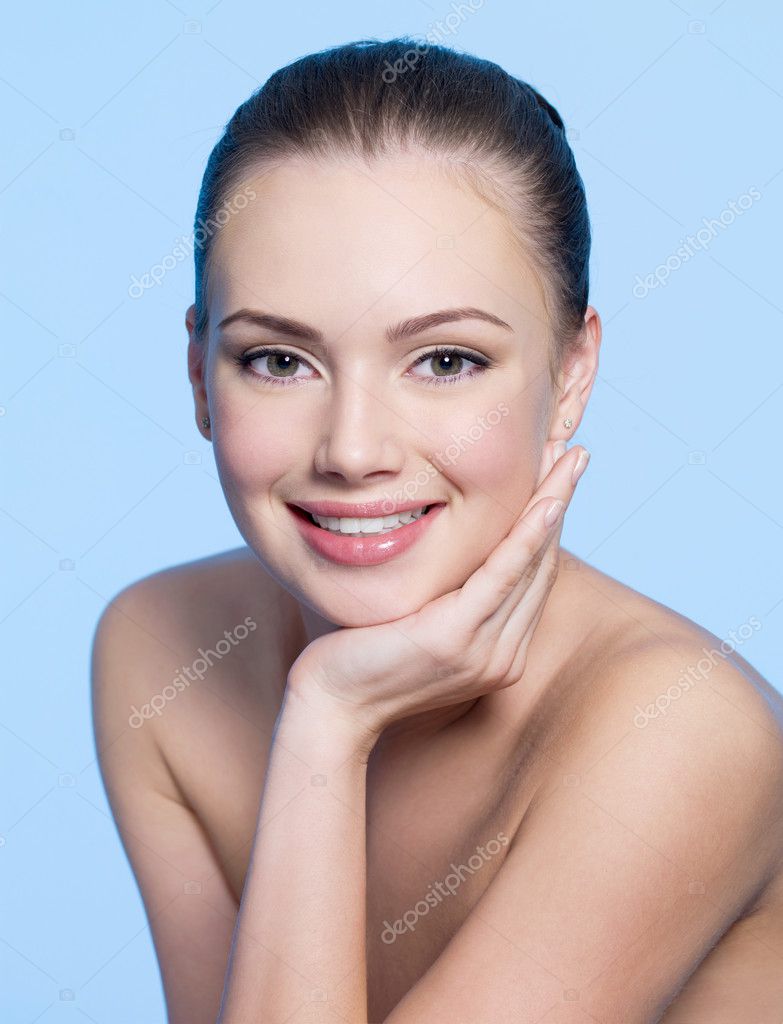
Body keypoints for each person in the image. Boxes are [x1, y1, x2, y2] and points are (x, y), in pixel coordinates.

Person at [91, 38, 783, 1024]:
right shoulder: (161, 650)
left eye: (448, 360)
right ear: (201, 374)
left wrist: (326, 722)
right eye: (281, 360)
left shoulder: (677, 730)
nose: (355, 449)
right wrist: (329, 722)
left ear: (571, 373)